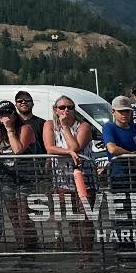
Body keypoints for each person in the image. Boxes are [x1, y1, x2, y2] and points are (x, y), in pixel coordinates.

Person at [0, 100, 40, 250]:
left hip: (26, 177)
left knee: (24, 215)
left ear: (14, 115)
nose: (5, 118)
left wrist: (10, 130)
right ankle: (22, 247)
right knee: (14, 216)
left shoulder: (25, 128)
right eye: (2, 115)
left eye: (8, 114)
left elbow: (18, 150)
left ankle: (31, 247)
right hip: (8, 177)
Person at [44, 95, 94, 253]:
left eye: (70, 107)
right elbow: (50, 148)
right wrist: (69, 152)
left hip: (84, 179)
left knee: (85, 218)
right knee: (72, 220)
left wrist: (65, 127)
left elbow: (76, 147)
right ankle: (80, 251)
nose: (66, 110)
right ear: (55, 110)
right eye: (62, 107)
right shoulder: (50, 124)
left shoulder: (83, 126)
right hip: (62, 180)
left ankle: (87, 253)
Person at [13, 90, 46, 156]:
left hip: (37, 162)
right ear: (15, 105)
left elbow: (46, 145)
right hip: (16, 163)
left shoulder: (42, 123)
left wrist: (48, 162)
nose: (23, 102)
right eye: (20, 101)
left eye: (27, 100)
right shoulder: (11, 123)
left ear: (33, 104)